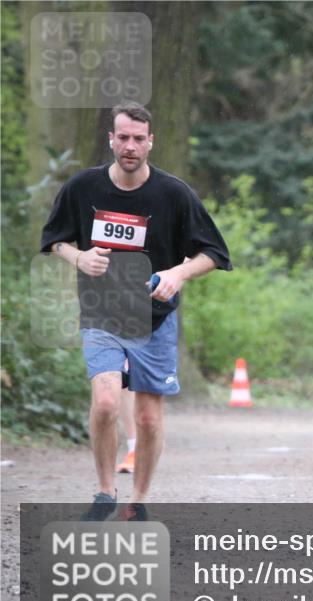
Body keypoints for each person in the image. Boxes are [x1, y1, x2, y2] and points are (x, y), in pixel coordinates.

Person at [40, 101, 232, 521]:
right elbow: (55, 239)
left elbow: (214, 253)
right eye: (122, 137)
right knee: (107, 402)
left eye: (138, 139)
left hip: (154, 320)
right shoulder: (82, 188)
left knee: (146, 419)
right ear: (111, 139)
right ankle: (105, 492)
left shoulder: (173, 193)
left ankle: (138, 500)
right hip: (102, 313)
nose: (130, 146)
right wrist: (79, 258)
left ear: (151, 142)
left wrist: (179, 273)